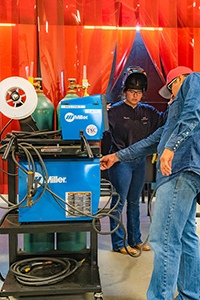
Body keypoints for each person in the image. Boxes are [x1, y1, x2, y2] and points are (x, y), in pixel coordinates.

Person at [100, 66, 200, 300]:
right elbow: (153, 139)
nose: (171, 96)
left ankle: (160, 297)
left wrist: (170, 148)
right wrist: (117, 156)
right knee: (186, 236)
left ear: (180, 79)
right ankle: (190, 295)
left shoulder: (192, 80)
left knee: (163, 239)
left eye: (172, 89)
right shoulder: (172, 115)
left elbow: (192, 114)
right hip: (185, 173)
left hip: (179, 172)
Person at [106, 66, 167, 254]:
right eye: (132, 92)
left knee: (134, 203)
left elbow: (165, 120)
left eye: (139, 92)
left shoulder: (148, 112)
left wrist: (174, 102)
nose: (135, 95)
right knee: (119, 202)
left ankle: (135, 240)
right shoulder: (113, 111)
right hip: (120, 162)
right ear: (125, 92)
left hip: (140, 162)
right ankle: (118, 244)